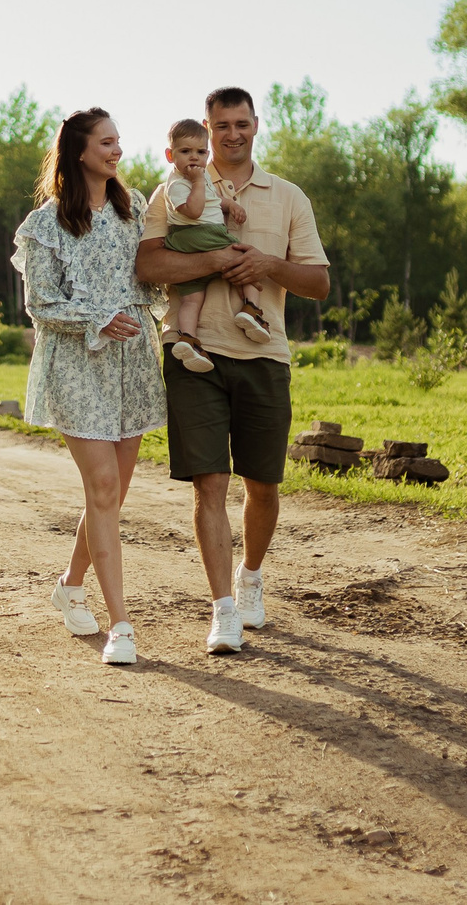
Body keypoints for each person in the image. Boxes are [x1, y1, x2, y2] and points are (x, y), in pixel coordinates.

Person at [135, 86, 329, 656]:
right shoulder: (173, 188)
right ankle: (223, 610)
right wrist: (215, 259)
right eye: (222, 125)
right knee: (210, 483)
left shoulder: (288, 197)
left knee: (262, 485)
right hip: (193, 353)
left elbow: (318, 283)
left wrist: (266, 264)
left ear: (256, 125)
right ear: (207, 128)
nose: (232, 134)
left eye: (241, 124)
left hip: (264, 356)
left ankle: (250, 577)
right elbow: (147, 264)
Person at [14, 107, 163, 668]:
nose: (117, 150)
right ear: (79, 152)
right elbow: (41, 305)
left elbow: (157, 270)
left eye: (118, 141)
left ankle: (70, 585)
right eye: (106, 142)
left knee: (112, 496)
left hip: (132, 363)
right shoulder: (45, 225)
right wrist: (99, 318)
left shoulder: (135, 209)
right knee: (102, 487)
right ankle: (121, 624)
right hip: (77, 365)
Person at [157, 118, 274, 374]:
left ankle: (188, 339)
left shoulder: (200, 178)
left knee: (192, 299)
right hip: (199, 234)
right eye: (185, 151)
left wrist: (230, 205)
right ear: (170, 155)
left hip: (187, 243)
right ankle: (252, 310)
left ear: (207, 153)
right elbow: (194, 210)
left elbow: (212, 199)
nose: (194, 158)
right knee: (247, 260)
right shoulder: (177, 183)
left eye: (200, 152)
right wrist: (198, 182)